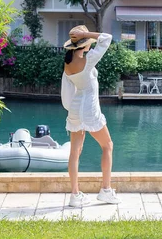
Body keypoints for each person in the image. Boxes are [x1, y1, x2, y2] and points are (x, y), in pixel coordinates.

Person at [61, 25, 120, 207]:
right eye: (88, 43)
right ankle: (106, 190)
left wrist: (82, 37)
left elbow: (68, 91)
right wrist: (85, 34)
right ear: (85, 45)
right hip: (89, 109)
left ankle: (75, 195)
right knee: (107, 145)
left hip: (76, 108)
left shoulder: (68, 64)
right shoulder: (88, 61)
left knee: (75, 152)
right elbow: (107, 38)